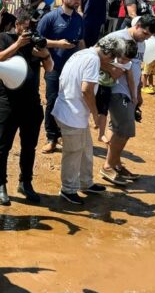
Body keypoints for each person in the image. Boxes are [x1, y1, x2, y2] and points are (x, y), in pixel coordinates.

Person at [52, 35, 131, 205]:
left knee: (86, 149)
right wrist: (95, 114)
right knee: (73, 153)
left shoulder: (82, 53)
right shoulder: (93, 60)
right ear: (108, 53)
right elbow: (86, 90)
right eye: (112, 58)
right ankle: (68, 189)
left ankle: (85, 182)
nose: (110, 62)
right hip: (71, 114)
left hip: (72, 111)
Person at [0, 8, 51, 206]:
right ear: (17, 25)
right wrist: (17, 44)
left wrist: (45, 54)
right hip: (8, 102)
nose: (28, 32)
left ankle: (25, 183)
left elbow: (50, 69)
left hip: (31, 103)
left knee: (29, 147)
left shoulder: (36, 42)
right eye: (25, 28)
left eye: (31, 28)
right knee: (3, 146)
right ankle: (0, 185)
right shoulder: (5, 38)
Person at [101, 15, 155, 184]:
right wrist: (112, 70)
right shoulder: (116, 37)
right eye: (145, 33)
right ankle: (108, 166)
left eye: (149, 36)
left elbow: (137, 67)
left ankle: (116, 164)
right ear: (137, 25)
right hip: (116, 90)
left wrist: (138, 93)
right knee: (125, 130)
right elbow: (94, 55)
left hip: (130, 92)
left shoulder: (141, 42)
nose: (146, 38)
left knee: (116, 128)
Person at [36, 0, 85, 153]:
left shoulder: (79, 19)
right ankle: (51, 137)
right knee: (52, 101)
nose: (77, 1)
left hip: (72, 69)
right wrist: (58, 44)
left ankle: (64, 134)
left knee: (69, 100)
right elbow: (37, 40)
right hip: (53, 67)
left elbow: (81, 41)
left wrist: (85, 58)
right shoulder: (50, 17)